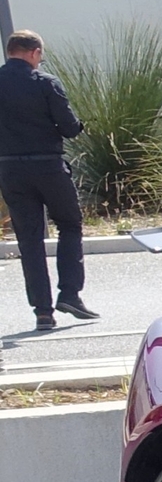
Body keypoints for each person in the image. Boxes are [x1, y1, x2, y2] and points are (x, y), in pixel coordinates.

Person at [0, 30, 91, 331]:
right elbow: (68, 127)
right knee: (69, 223)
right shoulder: (46, 83)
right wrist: (78, 126)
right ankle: (70, 293)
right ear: (34, 53)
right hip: (48, 167)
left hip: (10, 170)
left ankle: (42, 311)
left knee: (29, 240)